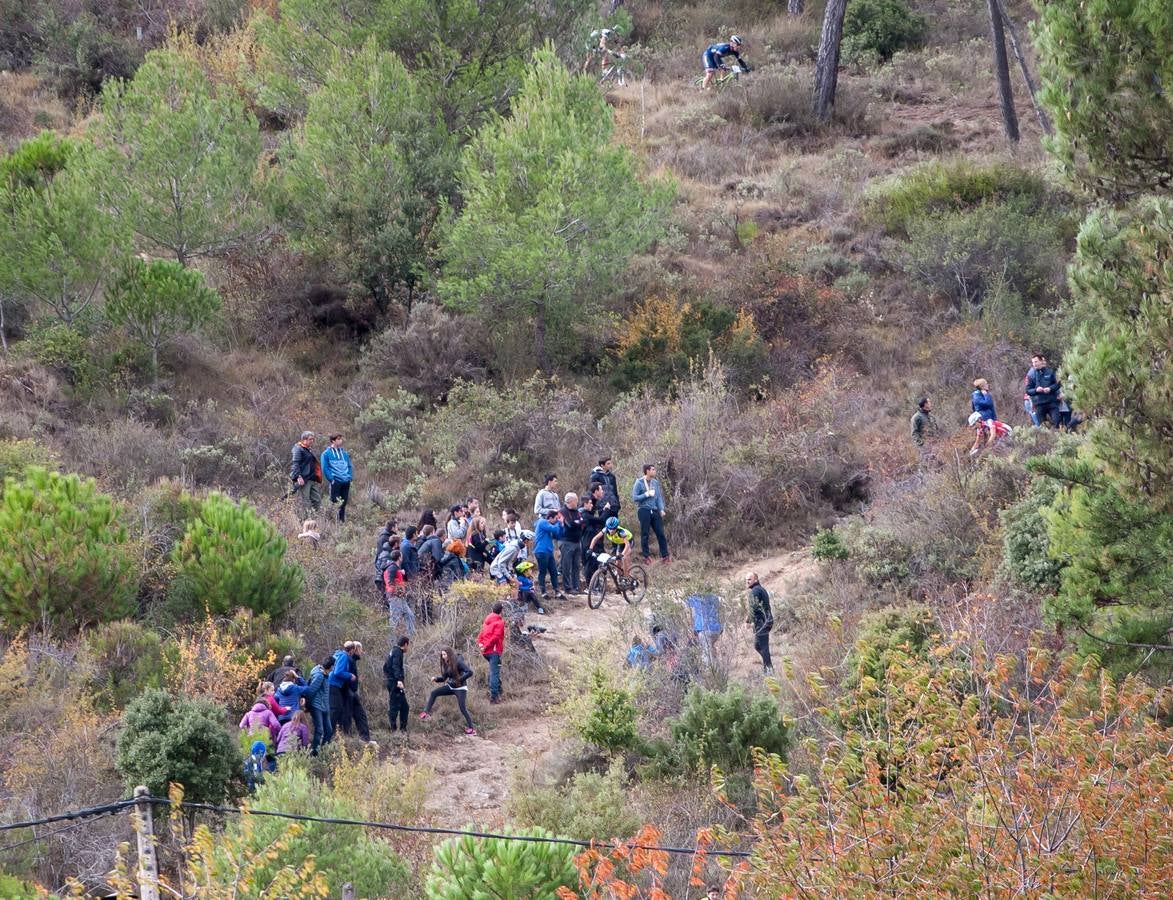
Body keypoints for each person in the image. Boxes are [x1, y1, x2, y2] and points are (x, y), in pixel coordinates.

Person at [419, 648, 476, 735]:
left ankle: (472, 729)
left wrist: (459, 680)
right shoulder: (446, 664)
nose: (443, 657)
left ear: (449, 654)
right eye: (442, 655)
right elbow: (444, 678)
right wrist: (436, 679)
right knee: (434, 693)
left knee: (463, 708)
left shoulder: (458, 662)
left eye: (445, 654)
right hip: (450, 687)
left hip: (460, 688)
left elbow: (470, 672)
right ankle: (426, 712)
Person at [632, 464, 669, 564]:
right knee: (645, 534)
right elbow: (634, 498)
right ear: (647, 471)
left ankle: (665, 556)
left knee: (660, 533)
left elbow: (659, 497)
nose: (654, 471)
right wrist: (646, 494)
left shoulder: (655, 482)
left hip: (655, 510)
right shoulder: (639, 482)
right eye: (653, 469)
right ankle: (646, 557)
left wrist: (661, 509)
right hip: (644, 510)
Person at [319, 433, 353, 522]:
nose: (340, 440)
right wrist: (332, 479)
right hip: (336, 481)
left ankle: (341, 522)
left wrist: (349, 476)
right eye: (338, 439)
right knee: (335, 502)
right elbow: (325, 468)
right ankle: (334, 522)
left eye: (341, 439)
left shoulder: (344, 453)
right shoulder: (326, 454)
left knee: (344, 502)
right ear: (333, 441)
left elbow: (349, 465)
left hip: (346, 481)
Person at [745, 572, 774, 675]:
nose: (747, 581)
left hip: (762, 622)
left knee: (763, 647)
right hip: (766, 621)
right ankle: (768, 665)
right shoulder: (760, 589)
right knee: (758, 645)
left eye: (749, 579)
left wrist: (748, 621)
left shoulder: (755, 591)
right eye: (746, 580)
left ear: (756, 580)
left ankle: (769, 671)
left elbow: (753, 606)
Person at [534, 509, 566, 601]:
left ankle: (557, 592)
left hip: (548, 552)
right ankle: (543, 592)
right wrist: (560, 523)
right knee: (542, 572)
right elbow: (555, 529)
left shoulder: (550, 525)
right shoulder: (542, 522)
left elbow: (559, 535)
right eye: (556, 518)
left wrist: (561, 525)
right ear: (550, 518)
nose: (557, 520)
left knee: (554, 572)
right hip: (541, 551)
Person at [478, 602, 506, 703]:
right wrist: (485, 646)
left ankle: (499, 690)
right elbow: (495, 637)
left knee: (495, 670)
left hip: (486, 652)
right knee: (494, 673)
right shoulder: (500, 622)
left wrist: (481, 645)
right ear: (501, 611)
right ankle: (494, 697)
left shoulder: (486, 621)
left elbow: (480, 635)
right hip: (493, 651)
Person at [306, 655, 334, 754]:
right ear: (331, 667)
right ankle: (314, 753)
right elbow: (311, 691)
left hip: (324, 706)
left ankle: (322, 751)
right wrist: (308, 706)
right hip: (317, 706)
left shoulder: (326, 674)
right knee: (319, 730)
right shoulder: (319, 676)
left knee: (329, 731)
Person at [328, 641, 358, 735]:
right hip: (334, 684)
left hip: (332, 684)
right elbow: (338, 672)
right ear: (352, 650)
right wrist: (350, 675)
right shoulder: (344, 657)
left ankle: (335, 731)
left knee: (337, 708)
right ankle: (330, 732)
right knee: (335, 709)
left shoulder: (338, 654)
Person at [289, 431, 323, 512]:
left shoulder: (308, 449)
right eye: (310, 439)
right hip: (304, 479)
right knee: (305, 501)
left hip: (312, 479)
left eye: (313, 439)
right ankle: (304, 521)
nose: (312, 441)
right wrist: (299, 477)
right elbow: (295, 463)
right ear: (304, 439)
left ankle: (314, 519)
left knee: (317, 500)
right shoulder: (298, 448)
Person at [559, 493, 585, 593]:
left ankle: (576, 586)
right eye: (576, 500)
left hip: (577, 541)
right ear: (570, 501)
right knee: (566, 565)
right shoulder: (562, 511)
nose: (577, 502)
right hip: (566, 541)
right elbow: (569, 524)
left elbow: (583, 523)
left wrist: (577, 522)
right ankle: (568, 587)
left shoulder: (577, 511)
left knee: (576, 566)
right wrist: (577, 522)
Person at [383, 636, 410, 735]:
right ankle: (393, 730)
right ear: (406, 644)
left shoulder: (393, 651)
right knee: (394, 706)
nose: (408, 648)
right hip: (395, 684)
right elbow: (395, 666)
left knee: (405, 707)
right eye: (408, 645)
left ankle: (403, 730)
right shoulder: (398, 652)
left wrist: (389, 677)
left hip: (392, 682)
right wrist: (398, 680)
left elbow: (385, 667)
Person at [687, 593, 722, 667]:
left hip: (704, 629)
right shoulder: (714, 597)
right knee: (711, 649)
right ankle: (718, 669)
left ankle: (709, 671)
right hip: (716, 629)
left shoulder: (696, 598)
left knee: (706, 652)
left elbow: (685, 604)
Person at [1025, 353, 1061, 427]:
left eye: (1036, 362)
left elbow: (1057, 384)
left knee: (1057, 421)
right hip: (1039, 404)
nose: (1034, 364)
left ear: (1041, 361)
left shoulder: (1050, 372)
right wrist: (1036, 390)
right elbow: (1028, 390)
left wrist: (1050, 389)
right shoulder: (1030, 375)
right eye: (1033, 362)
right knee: (1042, 426)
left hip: (1051, 402)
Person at [581, 489, 606, 584]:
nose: (592, 505)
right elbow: (601, 520)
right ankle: (589, 585)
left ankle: (595, 584)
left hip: (592, 542)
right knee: (589, 564)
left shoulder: (588, 514)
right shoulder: (585, 515)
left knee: (595, 563)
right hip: (587, 542)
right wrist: (606, 510)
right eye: (590, 503)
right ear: (585, 504)